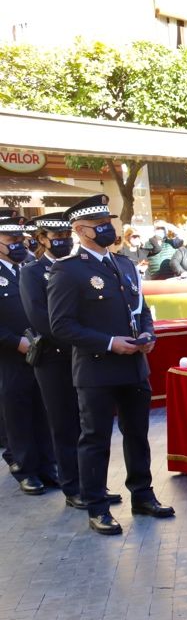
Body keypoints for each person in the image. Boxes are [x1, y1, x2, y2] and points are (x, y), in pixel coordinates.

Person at [47, 194, 174, 535]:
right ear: (80, 230)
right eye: (99, 225)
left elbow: (141, 309)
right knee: (96, 439)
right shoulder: (68, 271)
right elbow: (61, 325)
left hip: (134, 366)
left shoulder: (125, 264)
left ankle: (143, 496)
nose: (107, 229)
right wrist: (109, 343)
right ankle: (96, 506)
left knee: (138, 435)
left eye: (109, 223)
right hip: (97, 368)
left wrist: (148, 334)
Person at [22, 212, 121, 510]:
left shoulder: (80, 267)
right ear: (42, 240)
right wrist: (83, 341)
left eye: (67, 237)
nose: (63, 242)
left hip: (85, 356)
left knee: (89, 425)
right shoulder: (32, 272)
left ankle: (92, 484)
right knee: (64, 424)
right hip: (56, 359)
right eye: (57, 238)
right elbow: (43, 319)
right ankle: (72, 486)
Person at [0, 212, 56, 495]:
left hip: (41, 351)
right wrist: (14, 342)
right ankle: (24, 468)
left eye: (21, 240)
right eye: (11, 240)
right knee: (17, 412)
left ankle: (48, 464)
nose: (18, 245)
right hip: (10, 355)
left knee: (43, 409)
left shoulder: (30, 269)